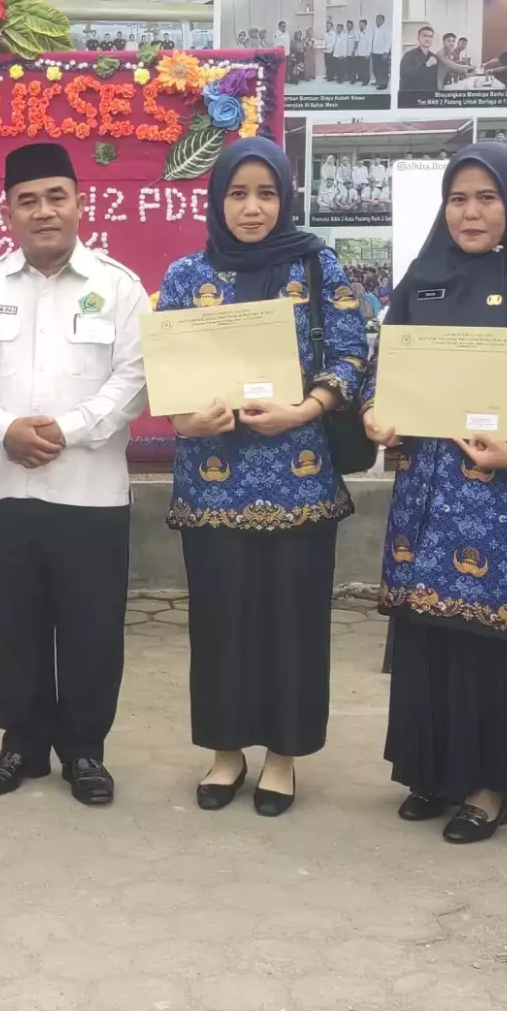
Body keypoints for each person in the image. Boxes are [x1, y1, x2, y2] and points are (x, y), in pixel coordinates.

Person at [365, 143, 507, 842]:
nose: (471, 213)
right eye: (458, 199)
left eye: (487, 198)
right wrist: (376, 412)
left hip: (501, 494)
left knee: (489, 637)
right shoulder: (420, 281)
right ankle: (431, 771)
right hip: (427, 490)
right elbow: (384, 368)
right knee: (427, 630)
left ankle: (491, 785)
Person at [159, 137, 368, 816]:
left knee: (293, 624)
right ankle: (226, 752)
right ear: (217, 199)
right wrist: (188, 419)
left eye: (267, 193)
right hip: (212, 484)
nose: (252, 208)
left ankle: (283, 756)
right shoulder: (187, 275)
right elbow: (167, 373)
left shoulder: (316, 266)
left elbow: (350, 354)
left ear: (286, 198)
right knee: (220, 623)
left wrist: (303, 410)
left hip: (297, 480)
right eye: (238, 194)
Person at [0, 142, 148, 805]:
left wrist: (70, 428)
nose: (43, 212)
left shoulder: (118, 288)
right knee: (14, 626)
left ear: (80, 203)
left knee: (92, 629)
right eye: (27, 201)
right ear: (6, 212)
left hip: (89, 493)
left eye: (56, 197)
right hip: (4, 490)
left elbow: (135, 379)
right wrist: (6, 428)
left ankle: (85, 751)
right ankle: (22, 745)